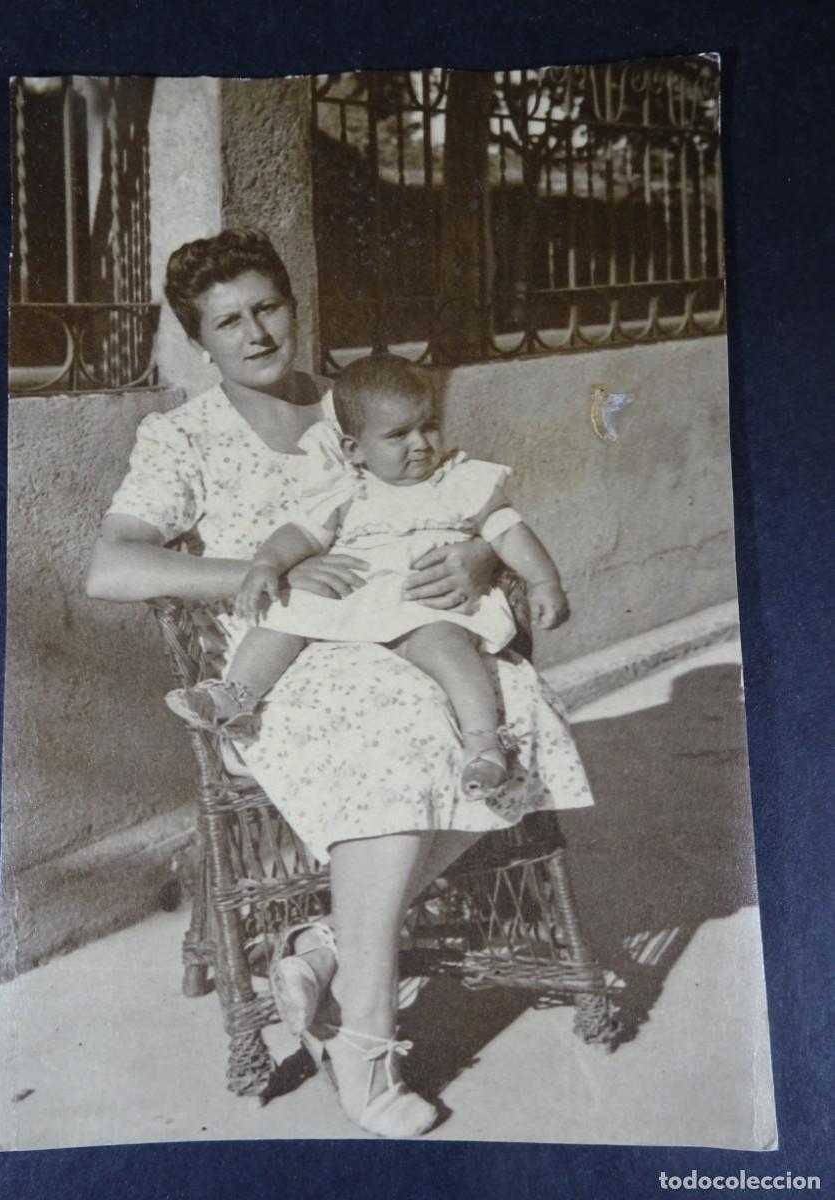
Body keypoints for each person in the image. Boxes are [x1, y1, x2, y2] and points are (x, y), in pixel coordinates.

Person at [86, 227, 594, 1139]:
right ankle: (365, 1045)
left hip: (407, 629)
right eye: (226, 321)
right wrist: (263, 572)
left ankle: (324, 947)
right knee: (403, 729)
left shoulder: (352, 406)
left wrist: (477, 559)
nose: (254, 332)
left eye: (268, 307)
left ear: (294, 305)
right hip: (283, 654)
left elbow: (453, 498)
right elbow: (112, 569)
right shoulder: (185, 437)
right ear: (199, 342)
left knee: (510, 708)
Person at [165, 353, 570, 800]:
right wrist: (267, 564)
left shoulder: (458, 481)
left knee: (446, 646)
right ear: (354, 450)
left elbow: (508, 531)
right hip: (359, 594)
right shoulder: (348, 488)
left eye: (429, 426)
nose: (420, 444)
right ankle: (235, 696)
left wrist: (543, 581)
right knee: (284, 616)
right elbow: (301, 531)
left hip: (428, 602)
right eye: (398, 435)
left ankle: (484, 748)